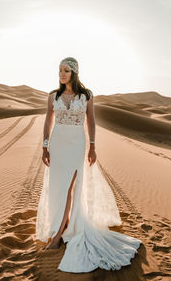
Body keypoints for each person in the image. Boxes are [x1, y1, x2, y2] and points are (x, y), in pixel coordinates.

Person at [35, 57, 142, 273]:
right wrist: (45, 146)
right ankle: (61, 225)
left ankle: (58, 235)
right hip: (57, 144)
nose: (61, 74)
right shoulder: (52, 96)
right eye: (59, 70)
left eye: (66, 70)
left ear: (74, 72)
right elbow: (48, 121)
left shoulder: (86, 95)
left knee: (70, 187)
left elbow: (91, 121)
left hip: (77, 144)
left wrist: (93, 146)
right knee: (58, 187)